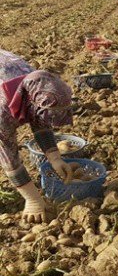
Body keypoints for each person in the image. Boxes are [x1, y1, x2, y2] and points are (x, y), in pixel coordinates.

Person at [0, 49, 74, 222]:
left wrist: (55, 158)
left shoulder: (36, 80)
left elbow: (38, 118)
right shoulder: (2, 111)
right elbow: (8, 156)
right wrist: (32, 199)